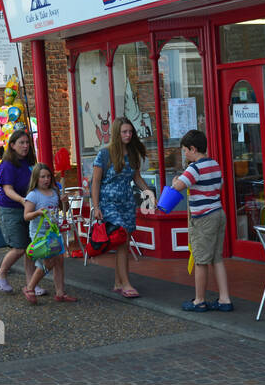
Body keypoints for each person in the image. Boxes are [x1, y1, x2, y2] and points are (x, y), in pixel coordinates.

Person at [91, 117, 156, 298]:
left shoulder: (133, 154)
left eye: (130, 132)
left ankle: (118, 282)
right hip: (108, 202)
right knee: (120, 239)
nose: (128, 135)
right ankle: (126, 284)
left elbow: (136, 178)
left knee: (125, 242)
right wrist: (96, 207)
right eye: (124, 132)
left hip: (127, 201)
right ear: (116, 134)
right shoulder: (105, 154)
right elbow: (95, 182)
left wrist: (148, 192)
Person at [171, 129, 232, 311]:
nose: (184, 154)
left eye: (185, 151)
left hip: (203, 218)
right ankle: (224, 299)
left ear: (192, 148)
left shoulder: (194, 168)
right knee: (217, 259)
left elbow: (178, 187)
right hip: (218, 213)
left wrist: (175, 180)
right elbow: (219, 185)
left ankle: (199, 300)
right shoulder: (214, 164)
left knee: (201, 260)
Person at [0, 129, 41, 294]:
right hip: (11, 210)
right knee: (19, 247)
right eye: (21, 143)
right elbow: (7, 189)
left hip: (28, 209)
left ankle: (31, 283)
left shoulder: (29, 163)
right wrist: (22, 200)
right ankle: (1, 273)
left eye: (27, 143)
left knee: (30, 248)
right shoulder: (7, 165)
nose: (25, 146)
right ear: (12, 145)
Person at [22, 163, 76, 303]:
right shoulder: (33, 195)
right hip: (39, 234)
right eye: (42, 177)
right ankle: (30, 287)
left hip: (53, 232)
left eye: (48, 176)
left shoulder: (54, 192)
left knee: (59, 261)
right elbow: (26, 216)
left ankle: (60, 293)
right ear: (36, 178)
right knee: (48, 262)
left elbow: (63, 210)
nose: (46, 179)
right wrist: (38, 212)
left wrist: (65, 202)